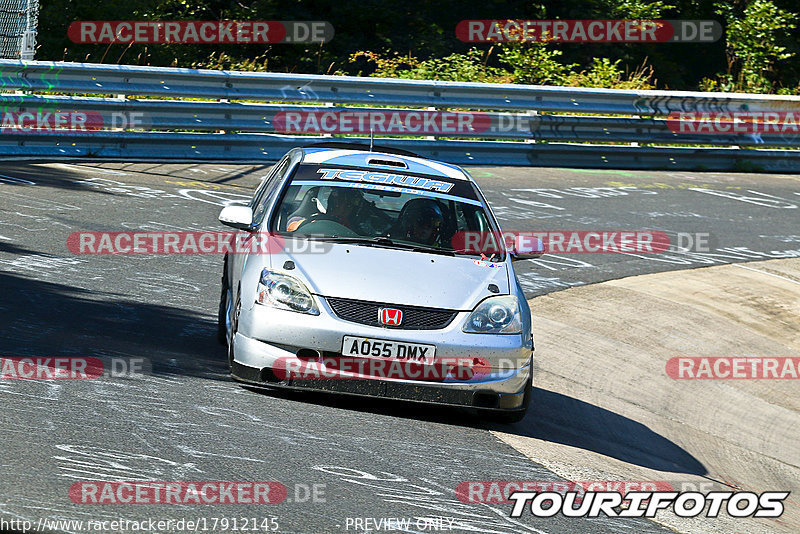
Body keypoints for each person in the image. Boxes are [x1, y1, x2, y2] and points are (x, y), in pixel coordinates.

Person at [288, 187, 363, 232]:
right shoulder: (299, 220)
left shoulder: (355, 231)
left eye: (348, 204)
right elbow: (290, 231)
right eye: (336, 199)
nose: (340, 205)